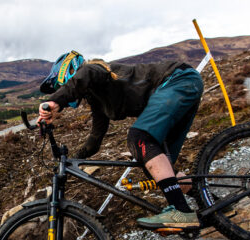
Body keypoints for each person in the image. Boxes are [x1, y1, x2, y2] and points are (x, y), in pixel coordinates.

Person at [37, 50, 204, 229]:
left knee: (139, 138)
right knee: (156, 168)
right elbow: (96, 137)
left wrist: (56, 101)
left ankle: (182, 213)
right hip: (183, 86)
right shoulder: (97, 99)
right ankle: (213, 205)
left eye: (60, 85)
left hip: (177, 80)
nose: (61, 89)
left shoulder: (99, 71)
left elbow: (87, 74)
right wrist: (72, 159)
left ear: (69, 74)